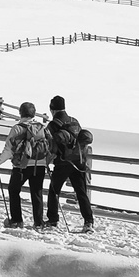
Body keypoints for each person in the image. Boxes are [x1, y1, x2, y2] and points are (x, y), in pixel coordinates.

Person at [0, 102, 50, 228]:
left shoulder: (17, 128)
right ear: (34, 113)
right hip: (39, 164)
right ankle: (39, 222)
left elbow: (9, 150)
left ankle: (17, 220)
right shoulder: (42, 127)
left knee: (14, 190)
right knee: (37, 192)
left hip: (21, 165)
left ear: (20, 113)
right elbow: (49, 147)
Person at [45, 96, 94, 233]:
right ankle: (88, 221)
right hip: (79, 162)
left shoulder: (53, 124)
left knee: (54, 191)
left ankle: (53, 219)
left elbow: (51, 147)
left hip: (63, 162)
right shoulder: (74, 121)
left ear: (52, 109)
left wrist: (47, 161)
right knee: (81, 192)